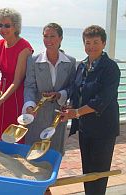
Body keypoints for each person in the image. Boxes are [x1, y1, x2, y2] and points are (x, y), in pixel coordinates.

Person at [60, 25, 120, 195]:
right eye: (88, 43)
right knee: (87, 171)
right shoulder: (82, 65)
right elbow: (76, 90)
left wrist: (77, 113)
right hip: (85, 128)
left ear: (104, 43)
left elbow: (102, 100)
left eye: (95, 42)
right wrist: (69, 105)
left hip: (104, 129)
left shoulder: (110, 68)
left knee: (99, 173)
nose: (91, 46)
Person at [23, 23, 76, 154]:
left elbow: (73, 87)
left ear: (60, 38)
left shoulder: (70, 62)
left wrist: (60, 95)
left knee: (55, 153)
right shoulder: (33, 61)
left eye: (52, 36)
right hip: (37, 114)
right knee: (33, 152)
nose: (48, 40)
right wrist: (29, 106)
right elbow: (29, 86)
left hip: (58, 116)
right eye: (46, 36)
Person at [0, 8, 33, 143]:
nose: (3, 29)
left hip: (17, 95)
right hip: (3, 91)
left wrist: (1, 100)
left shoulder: (24, 47)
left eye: (7, 25)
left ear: (15, 26)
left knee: (14, 136)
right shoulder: (0, 44)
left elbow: (18, 80)